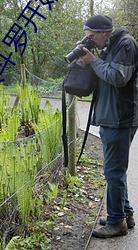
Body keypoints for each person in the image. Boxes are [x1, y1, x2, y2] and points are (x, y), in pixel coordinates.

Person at [80, 15, 138, 238]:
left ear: (104, 32)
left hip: (120, 118)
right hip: (110, 117)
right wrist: (90, 60)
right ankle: (125, 214)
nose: (91, 41)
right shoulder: (109, 46)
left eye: (92, 37)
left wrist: (93, 61)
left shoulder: (126, 44)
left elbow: (117, 77)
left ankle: (116, 223)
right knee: (115, 171)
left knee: (113, 171)